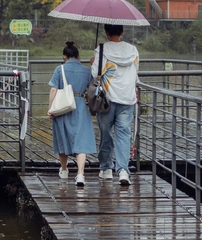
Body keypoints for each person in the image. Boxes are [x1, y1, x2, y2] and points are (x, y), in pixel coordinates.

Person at [91, 24, 139, 186]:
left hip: (107, 100)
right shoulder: (133, 50)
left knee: (106, 134)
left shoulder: (102, 50)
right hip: (128, 99)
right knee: (124, 135)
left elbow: (95, 74)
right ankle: (123, 170)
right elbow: (135, 72)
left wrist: (93, 62)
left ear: (106, 32)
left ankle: (106, 169)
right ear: (122, 31)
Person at [48, 41, 96, 187]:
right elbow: (92, 90)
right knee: (81, 139)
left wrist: (50, 108)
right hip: (80, 104)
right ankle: (80, 174)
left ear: (64, 57)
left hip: (63, 106)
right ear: (78, 55)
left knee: (62, 137)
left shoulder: (59, 69)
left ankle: (64, 170)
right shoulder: (86, 71)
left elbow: (53, 90)